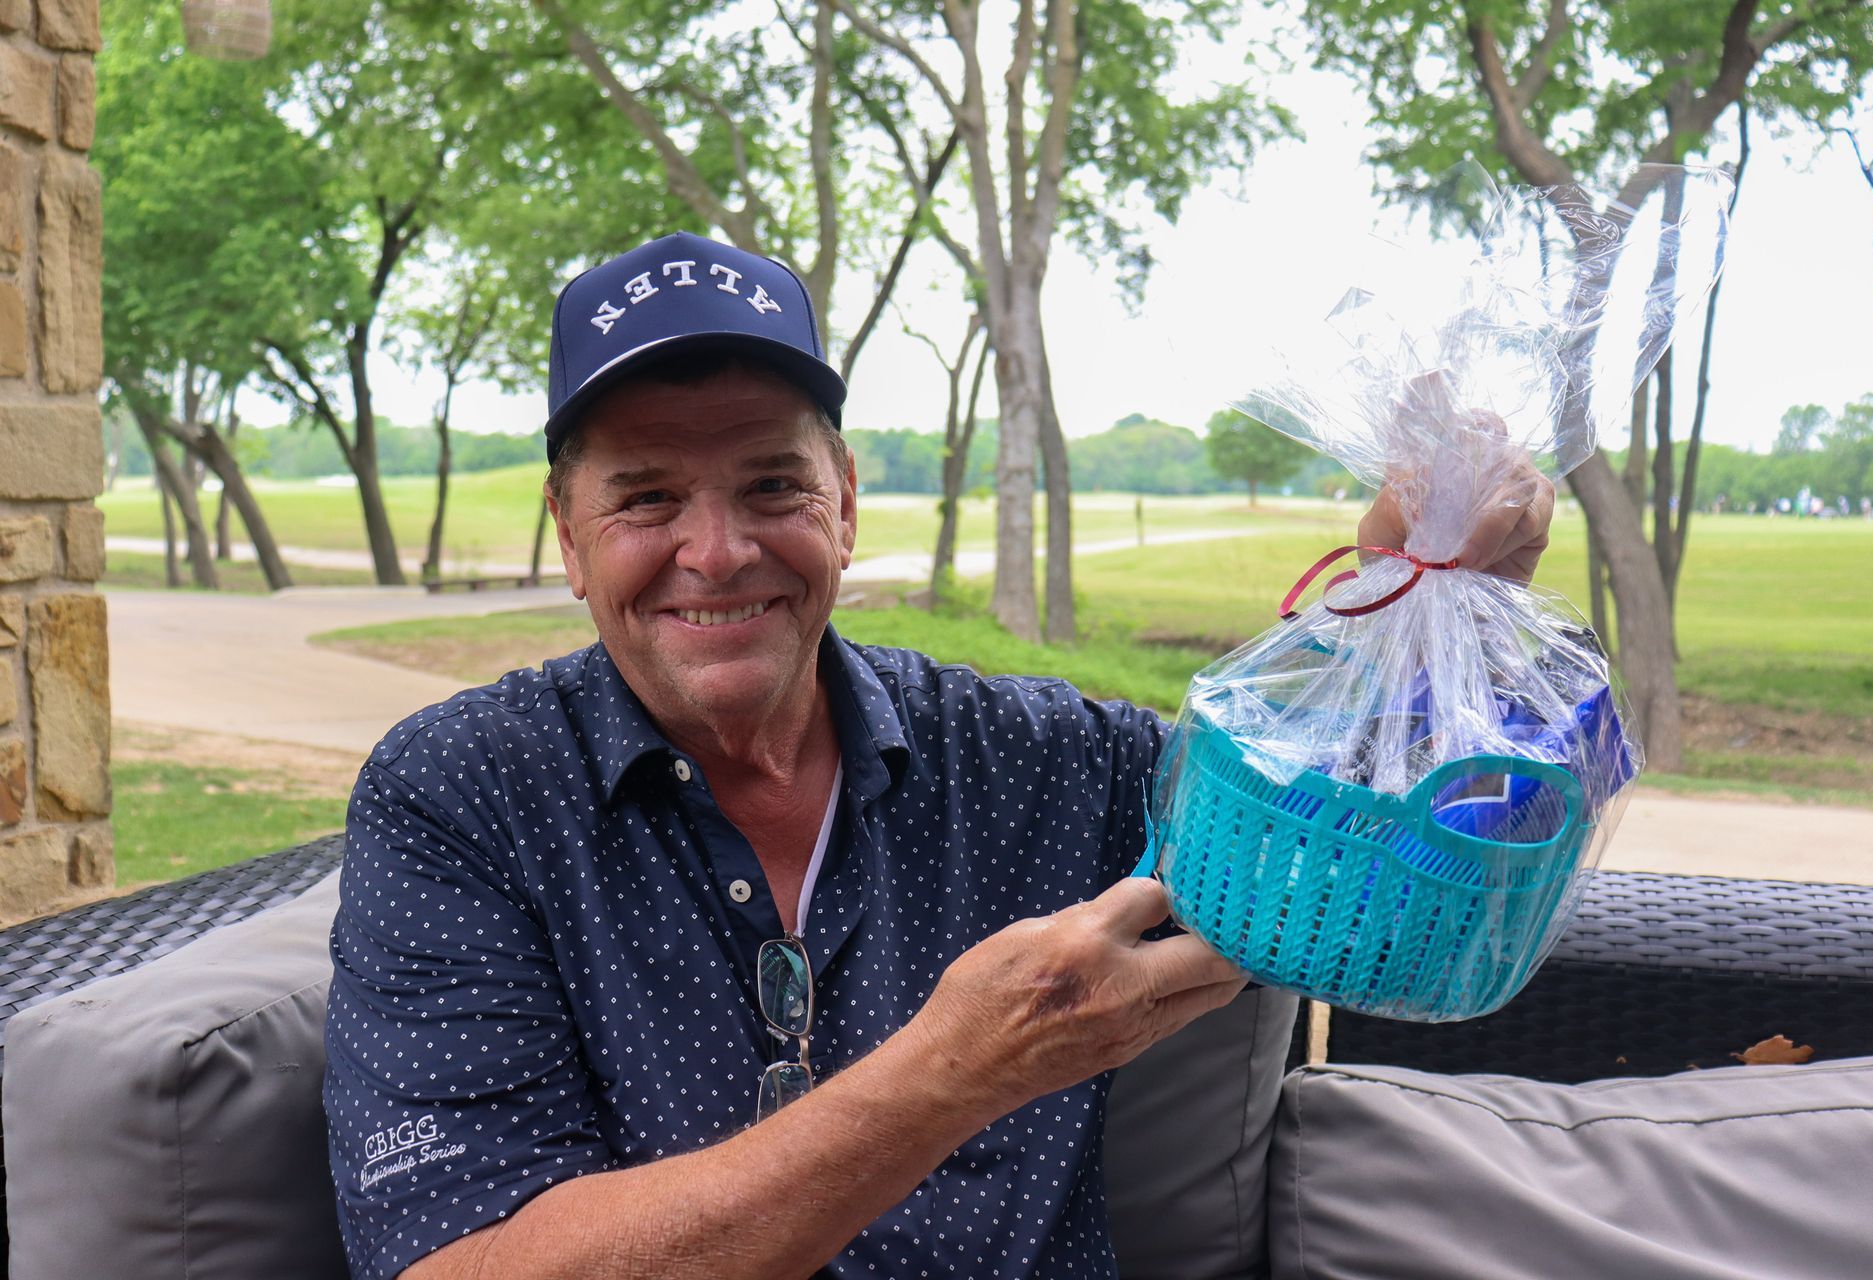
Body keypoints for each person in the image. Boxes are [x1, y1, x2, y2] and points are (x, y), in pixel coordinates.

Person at [323, 232, 1554, 1280]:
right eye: (645, 498)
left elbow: (1326, 842)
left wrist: (1418, 613)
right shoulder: (464, 793)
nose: (717, 550)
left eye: (771, 484)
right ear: (569, 535)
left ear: (845, 502)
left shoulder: (1039, 761)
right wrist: (952, 1072)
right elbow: (456, 1257)